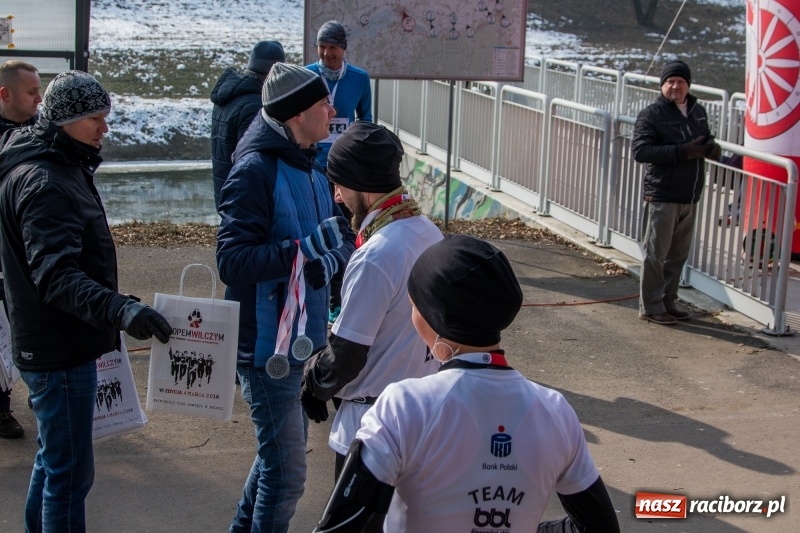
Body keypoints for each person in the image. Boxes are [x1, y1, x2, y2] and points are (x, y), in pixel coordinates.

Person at [313, 235, 620, 532]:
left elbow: (343, 523)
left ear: (431, 316)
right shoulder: (555, 412)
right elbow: (599, 526)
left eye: (413, 305)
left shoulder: (403, 407)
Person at [0, 70, 172, 532]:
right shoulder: (45, 181)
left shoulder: (56, 160)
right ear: (65, 120)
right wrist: (120, 309)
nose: (105, 127)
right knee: (71, 474)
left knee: (56, 462)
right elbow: (55, 276)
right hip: (58, 347)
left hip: (55, 341)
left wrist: (116, 304)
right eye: (96, 117)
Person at [216, 61, 356, 533]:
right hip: (264, 346)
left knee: (274, 460)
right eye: (322, 104)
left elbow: (328, 245)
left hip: (303, 339)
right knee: (287, 475)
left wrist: (332, 258)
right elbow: (232, 262)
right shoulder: (255, 170)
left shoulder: (311, 163)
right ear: (296, 114)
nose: (333, 109)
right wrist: (301, 251)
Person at [300, 122, 443, 530]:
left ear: (363, 185)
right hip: (423, 420)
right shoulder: (427, 232)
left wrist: (312, 382)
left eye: (340, 185)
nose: (336, 196)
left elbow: (346, 353)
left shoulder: (377, 254)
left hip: (370, 431)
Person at [633, 60, 721, 326]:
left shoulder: (698, 111)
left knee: (678, 255)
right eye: (670, 81)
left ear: (688, 85)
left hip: (690, 195)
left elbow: (704, 140)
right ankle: (651, 306)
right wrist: (683, 151)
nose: (675, 86)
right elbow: (641, 152)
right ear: (662, 86)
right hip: (663, 194)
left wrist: (711, 147)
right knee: (655, 255)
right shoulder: (651, 114)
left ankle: (669, 301)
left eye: (680, 81)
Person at [306, 20, 373, 325]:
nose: (326, 52)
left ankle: (341, 297)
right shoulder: (308, 74)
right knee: (317, 231)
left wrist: (356, 148)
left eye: (332, 46)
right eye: (321, 46)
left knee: (346, 231)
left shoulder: (359, 79)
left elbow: (366, 118)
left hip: (343, 168)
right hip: (313, 165)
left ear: (343, 48)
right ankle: (319, 296)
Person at [0, 59, 42, 439]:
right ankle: (0, 407)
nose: (39, 99)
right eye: (32, 92)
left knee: (29, 323)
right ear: (5, 93)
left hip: (30, 249)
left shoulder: (39, 133)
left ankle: (39, 392)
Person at [211, 40, 285, 209]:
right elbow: (253, 158)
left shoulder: (227, 98)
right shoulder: (254, 106)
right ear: (274, 74)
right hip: (244, 195)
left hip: (226, 188)